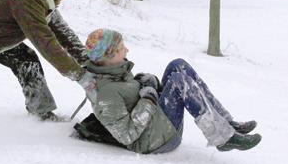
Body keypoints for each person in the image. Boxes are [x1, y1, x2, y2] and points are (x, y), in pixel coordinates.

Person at [73, 29, 262, 153]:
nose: (127, 50)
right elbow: (127, 135)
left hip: (155, 124)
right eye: (122, 48)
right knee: (180, 82)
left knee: (177, 65)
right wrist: (147, 99)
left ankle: (227, 123)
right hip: (153, 141)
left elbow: (129, 94)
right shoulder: (106, 93)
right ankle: (223, 138)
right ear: (109, 56)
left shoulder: (115, 69)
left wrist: (147, 83)